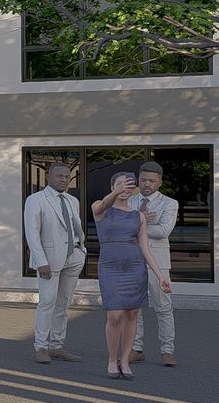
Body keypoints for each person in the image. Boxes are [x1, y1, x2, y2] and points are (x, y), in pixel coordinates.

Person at [92, 171, 172, 379]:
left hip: (135, 268)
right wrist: (116, 192)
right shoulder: (100, 208)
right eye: (120, 185)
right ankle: (112, 359)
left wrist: (160, 275)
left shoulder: (138, 216)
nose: (124, 189)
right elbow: (101, 207)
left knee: (131, 314)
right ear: (112, 187)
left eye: (128, 186)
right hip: (110, 267)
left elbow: (145, 248)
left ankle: (125, 360)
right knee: (114, 314)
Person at [23, 162, 86, 363]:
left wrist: (81, 250)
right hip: (49, 260)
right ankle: (41, 347)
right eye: (59, 176)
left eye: (67, 176)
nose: (64, 179)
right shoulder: (36, 200)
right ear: (48, 177)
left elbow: (75, 228)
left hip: (73, 256)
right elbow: (32, 233)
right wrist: (41, 260)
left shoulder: (72, 200)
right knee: (47, 302)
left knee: (64, 304)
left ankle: (57, 345)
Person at [128, 161, 178, 366]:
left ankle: (167, 351)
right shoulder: (129, 201)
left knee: (163, 307)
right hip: (131, 262)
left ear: (160, 182)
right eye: (143, 180)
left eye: (151, 180)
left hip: (158, 264)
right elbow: (117, 227)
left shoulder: (169, 203)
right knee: (133, 309)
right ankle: (136, 349)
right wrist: (143, 220)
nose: (146, 184)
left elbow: (163, 231)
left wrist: (135, 223)